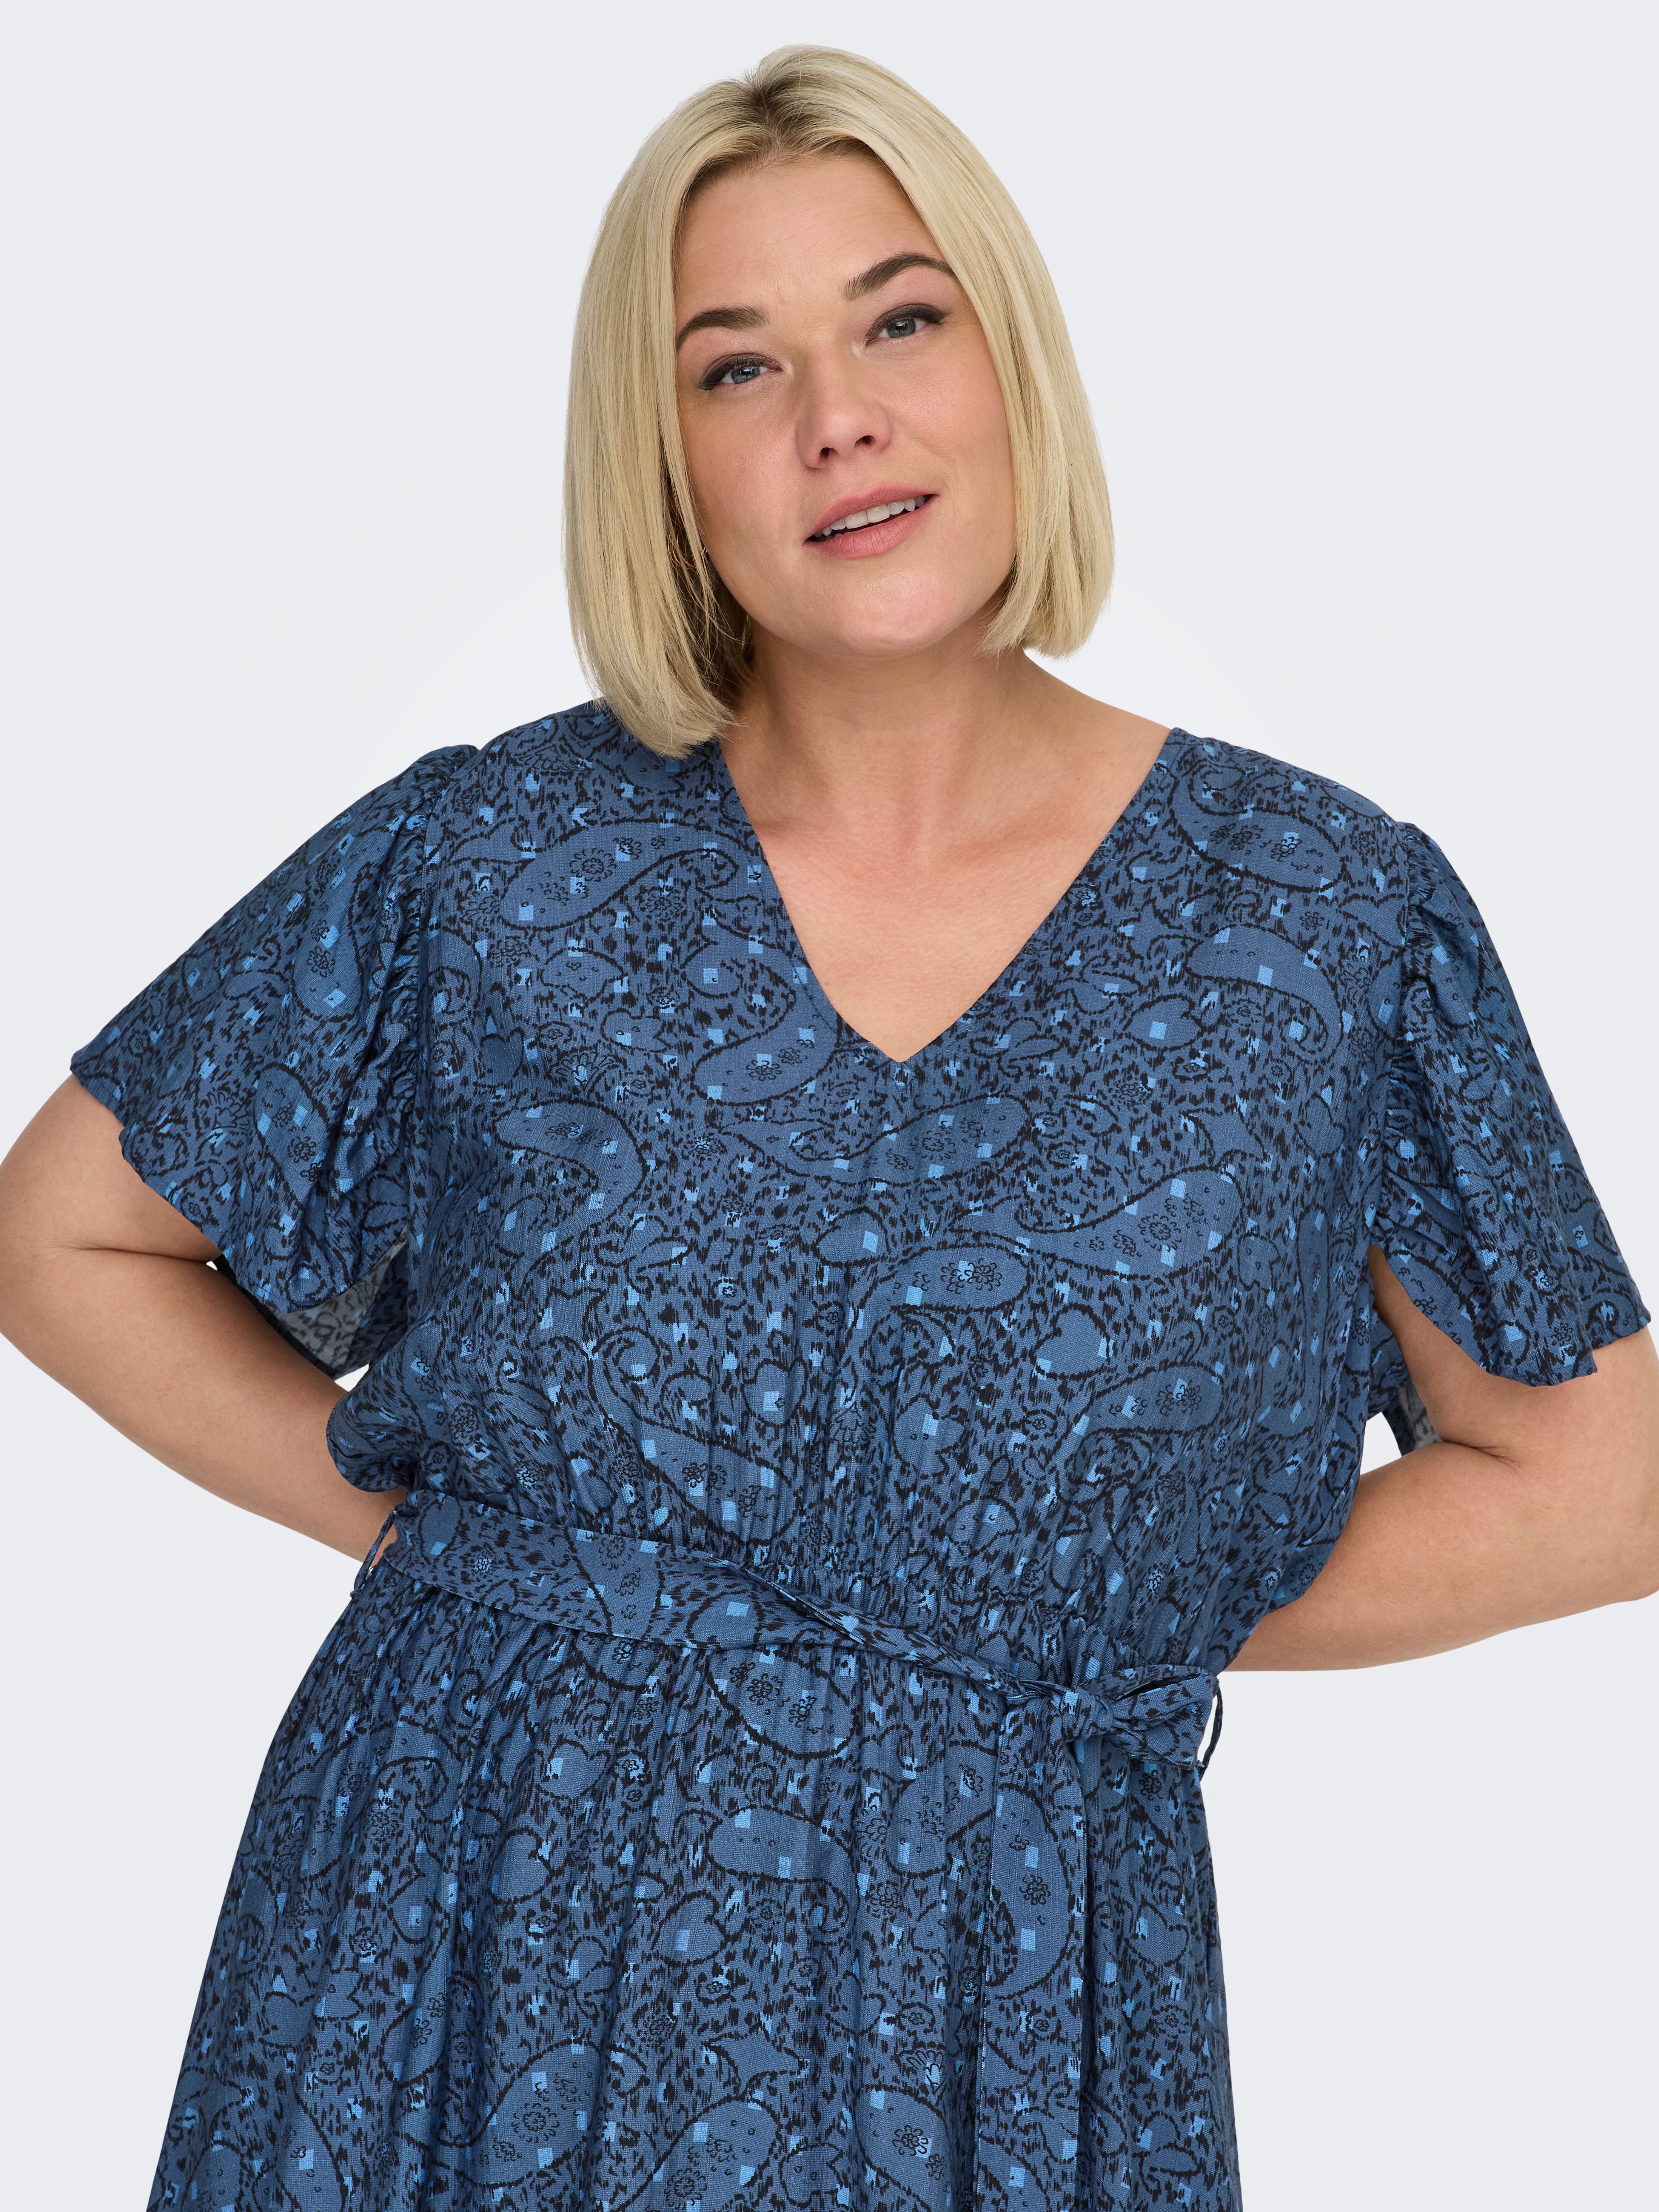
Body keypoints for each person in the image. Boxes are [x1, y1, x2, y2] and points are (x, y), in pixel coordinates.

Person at [0, 41, 1652, 2212]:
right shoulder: (489, 862)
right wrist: (452, 1548)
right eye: (735, 366)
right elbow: (64, 1234)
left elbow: (1602, 1476)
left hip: (997, 1977)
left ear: (1011, 363)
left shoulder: (1323, 921)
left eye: (901, 320)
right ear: (664, 465)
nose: (837, 418)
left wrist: (1066, 1607)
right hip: (455, 1930)